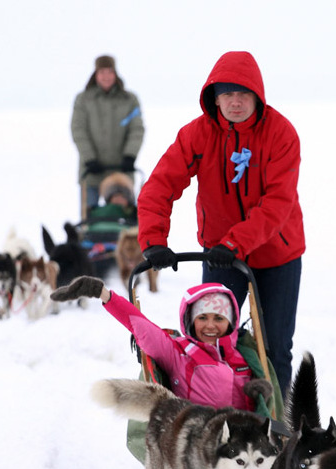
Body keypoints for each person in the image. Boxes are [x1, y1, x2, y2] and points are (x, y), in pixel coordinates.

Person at [136, 51, 304, 398]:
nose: (235, 102)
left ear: (257, 95)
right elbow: (160, 185)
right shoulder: (197, 135)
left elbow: (278, 202)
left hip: (277, 255)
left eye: (243, 94)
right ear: (214, 98)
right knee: (208, 341)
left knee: (273, 348)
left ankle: (276, 427)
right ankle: (216, 417)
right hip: (219, 255)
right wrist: (153, 239)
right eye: (226, 94)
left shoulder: (281, 133)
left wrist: (235, 243)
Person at [50, 275, 274, 414]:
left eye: (219, 318)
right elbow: (141, 326)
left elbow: (250, 412)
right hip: (197, 439)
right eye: (202, 318)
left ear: (230, 322)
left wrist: (255, 396)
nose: (210, 326)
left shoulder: (242, 357)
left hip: (240, 446)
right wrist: (103, 293)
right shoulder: (179, 352)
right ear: (190, 320)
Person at [71, 55, 144, 210]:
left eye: (110, 72)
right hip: (91, 172)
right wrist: (90, 159)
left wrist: (129, 156)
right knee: (90, 219)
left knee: (124, 216)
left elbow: (136, 129)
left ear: (115, 74)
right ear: (96, 75)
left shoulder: (129, 100)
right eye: (102, 72)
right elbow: (78, 130)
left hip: (121, 173)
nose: (106, 76)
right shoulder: (84, 100)